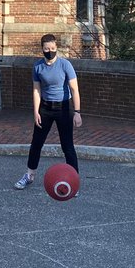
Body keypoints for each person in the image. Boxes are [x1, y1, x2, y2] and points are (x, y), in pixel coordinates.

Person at [13, 33, 82, 190]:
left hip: (64, 107)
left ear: (56, 47)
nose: (49, 51)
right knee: (36, 143)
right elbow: (36, 90)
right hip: (45, 108)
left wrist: (77, 112)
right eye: (46, 48)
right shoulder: (38, 66)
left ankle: (74, 180)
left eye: (52, 48)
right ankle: (29, 175)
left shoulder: (65, 65)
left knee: (67, 146)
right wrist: (36, 111)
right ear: (42, 49)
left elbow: (74, 89)